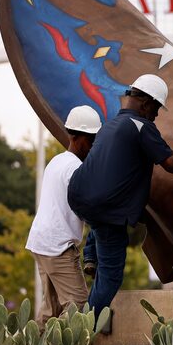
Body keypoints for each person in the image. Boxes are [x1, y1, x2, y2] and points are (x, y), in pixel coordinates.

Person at [68, 74, 173, 318]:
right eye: (156, 108)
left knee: (100, 226)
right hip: (106, 210)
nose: (157, 115)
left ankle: (90, 253)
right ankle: (85, 328)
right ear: (145, 103)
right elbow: (172, 163)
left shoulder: (110, 125)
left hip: (81, 197)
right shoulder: (142, 127)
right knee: (111, 275)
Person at [26, 105, 101, 324]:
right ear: (79, 137)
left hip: (41, 242)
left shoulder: (57, 161)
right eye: (92, 139)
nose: (93, 145)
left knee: (51, 309)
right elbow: (88, 208)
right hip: (58, 247)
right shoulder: (75, 169)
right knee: (77, 305)